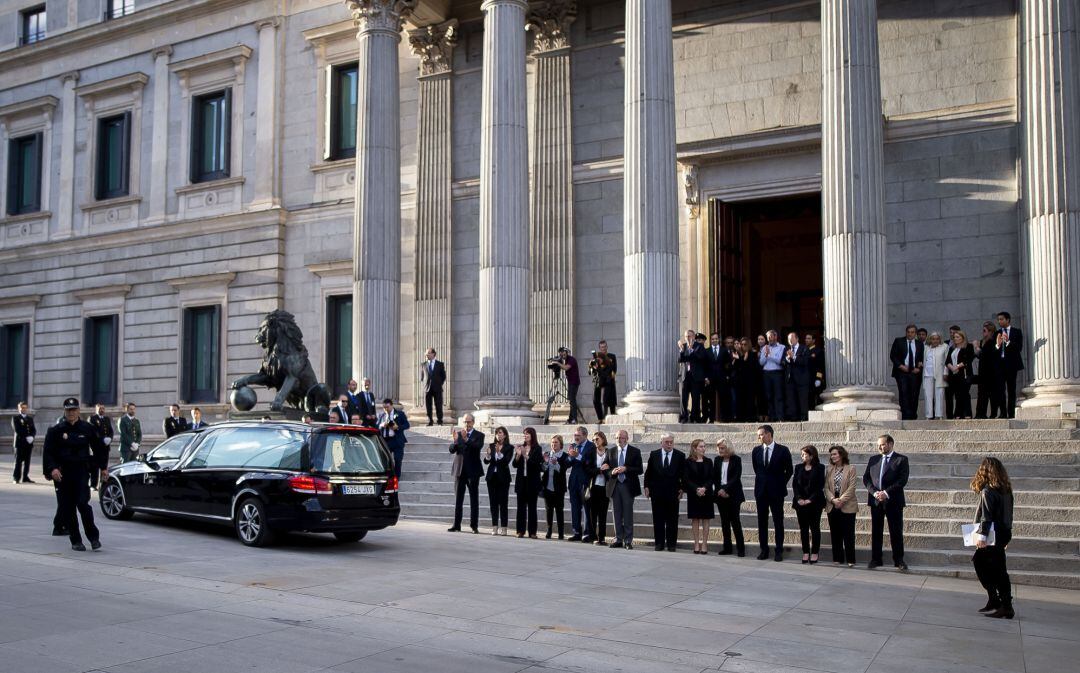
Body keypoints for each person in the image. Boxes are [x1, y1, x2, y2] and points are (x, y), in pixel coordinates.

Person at [42, 398, 108, 551]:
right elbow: (48, 453)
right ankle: (76, 540)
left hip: (81, 472)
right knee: (68, 507)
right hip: (62, 474)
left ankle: (93, 537)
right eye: (68, 410)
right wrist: (53, 469)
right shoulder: (55, 431)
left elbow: (99, 449)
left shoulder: (87, 428)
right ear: (64, 411)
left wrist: (103, 468)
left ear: (79, 411)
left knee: (83, 504)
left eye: (73, 410)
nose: (71, 413)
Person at [970, 457, 1015, 619]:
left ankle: (1004, 604)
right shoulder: (1006, 489)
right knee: (994, 567)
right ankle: (995, 600)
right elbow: (1009, 514)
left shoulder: (988, 490)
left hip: (992, 534)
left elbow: (986, 516)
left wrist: (981, 536)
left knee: (991, 567)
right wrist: (1006, 536)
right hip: (1003, 532)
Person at [864, 434, 909, 571]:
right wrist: (875, 492)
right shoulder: (873, 459)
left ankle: (898, 560)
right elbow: (866, 479)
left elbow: (902, 480)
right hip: (876, 501)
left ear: (890, 444)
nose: (880, 447)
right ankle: (876, 559)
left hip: (893, 501)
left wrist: (886, 493)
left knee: (896, 531)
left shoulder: (901, 459)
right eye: (878, 444)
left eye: (882, 444)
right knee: (876, 531)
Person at [751, 425, 792, 561]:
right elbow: (757, 470)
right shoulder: (756, 450)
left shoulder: (783, 450)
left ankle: (779, 550)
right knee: (762, 521)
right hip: (761, 491)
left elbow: (789, 470)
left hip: (777, 492)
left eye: (761, 434)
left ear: (769, 434)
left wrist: (780, 483)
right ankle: (764, 550)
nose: (759, 437)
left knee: (778, 521)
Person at [644, 434, 685, 551]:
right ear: (661, 442)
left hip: (673, 493)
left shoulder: (680, 455)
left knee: (672, 519)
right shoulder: (654, 454)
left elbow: (684, 474)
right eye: (666, 442)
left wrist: (682, 488)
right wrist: (646, 486)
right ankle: (659, 543)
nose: (669, 444)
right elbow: (648, 472)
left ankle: (672, 544)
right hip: (657, 492)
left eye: (671, 442)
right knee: (658, 519)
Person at [606, 429, 642, 549]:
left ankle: (628, 540)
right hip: (615, 486)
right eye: (617, 438)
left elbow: (639, 469)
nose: (619, 440)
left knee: (627, 513)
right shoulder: (610, 451)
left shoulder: (635, 451)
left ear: (627, 439)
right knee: (616, 513)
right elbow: (606, 469)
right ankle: (618, 539)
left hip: (628, 485)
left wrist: (626, 469)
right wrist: (613, 471)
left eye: (621, 438)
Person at [448, 414, 484, 534]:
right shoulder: (458, 434)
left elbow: (477, 447)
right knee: (458, 499)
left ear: (473, 422)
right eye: (464, 422)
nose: (466, 425)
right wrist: (454, 442)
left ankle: (474, 526)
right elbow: (452, 450)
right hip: (459, 470)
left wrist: (466, 440)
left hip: (473, 471)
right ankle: (456, 525)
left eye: (468, 422)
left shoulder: (479, 435)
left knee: (474, 499)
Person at [824, 445, 858, 567]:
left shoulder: (851, 468)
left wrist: (841, 500)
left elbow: (852, 487)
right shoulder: (829, 469)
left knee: (848, 533)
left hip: (847, 504)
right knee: (835, 533)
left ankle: (850, 559)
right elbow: (826, 487)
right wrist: (833, 499)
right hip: (832, 504)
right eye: (831, 455)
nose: (832, 456)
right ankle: (837, 557)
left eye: (834, 454)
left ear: (841, 455)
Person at [792, 445, 826, 564]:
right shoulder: (798, 467)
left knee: (815, 528)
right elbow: (795, 485)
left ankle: (815, 552)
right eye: (801, 454)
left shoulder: (820, 467)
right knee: (803, 529)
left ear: (811, 455)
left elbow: (820, 485)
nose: (802, 456)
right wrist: (799, 498)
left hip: (815, 503)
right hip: (800, 503)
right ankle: (805, 552)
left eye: (805, 454)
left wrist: (810, 499)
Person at [712, 438, 745, 556]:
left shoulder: (736, 460)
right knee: (724, 522)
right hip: (720, 495)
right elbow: (715, 478)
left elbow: (736, 478)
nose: (720, 450)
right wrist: (719, 491)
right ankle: (727, 548)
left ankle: (741, 549)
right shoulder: (717, 460)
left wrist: (725, 490)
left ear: (728, 448)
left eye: (722, 448)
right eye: (719, 448)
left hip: (734, 495)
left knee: (735, 522)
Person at [683, 439, 713, 554]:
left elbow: (711, 477)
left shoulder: (709, 461)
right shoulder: (688, 462)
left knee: (706, 519)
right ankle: (696, 543)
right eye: (701, 446)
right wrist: (696, 489)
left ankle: (704, 544)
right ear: (694, 448)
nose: (703, 448)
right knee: (695, 519)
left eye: (704, 446)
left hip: (706, 493)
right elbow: (686, 479)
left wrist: (704, 488)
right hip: (693, 494)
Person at [513, 427, 544, 538]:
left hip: (532, 482)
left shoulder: (537, 449)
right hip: (521, 481)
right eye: (524, 434)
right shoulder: (521, 447)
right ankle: (520, 530)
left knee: (532, 507)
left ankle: (532, 532)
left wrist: (526, 455)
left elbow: (536, 464)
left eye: (527, 434)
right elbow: (514, 465)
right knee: (520, 507)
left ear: (532, 435)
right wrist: (518, 455)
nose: (525, 436)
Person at [566, 426, 594, 541]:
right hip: (574, 481)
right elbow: (567, 464)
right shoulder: (573, 446)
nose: (576, 437)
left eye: (578, 435)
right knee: (575, 507)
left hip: (585, 481)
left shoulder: (591, 446)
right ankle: (576, 532)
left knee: (587, 508)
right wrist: (570, 457)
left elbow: (589, 463)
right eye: (575, 435)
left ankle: (587, 533)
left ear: (585, 435)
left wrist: (578, 456)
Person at [582, 430, 611, 545]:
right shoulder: (590, 452)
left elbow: (612, 467)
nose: (595, 441)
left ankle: (602, 538)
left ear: (603, 439)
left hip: (605, 487)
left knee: (603, 513)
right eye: (593, 440)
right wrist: (599, 470)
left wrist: (606, 470)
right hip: (593, 486)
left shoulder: (609, 452)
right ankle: (593, 536)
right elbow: (587, 469)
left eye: (597, 439)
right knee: (592, 513)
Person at [890, 324, 924, 420]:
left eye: (912, 332)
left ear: (915, 333)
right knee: (903, 392)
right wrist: (901, 366)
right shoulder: (899, 341)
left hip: (914, 372)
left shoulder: (919, 344)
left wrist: (919, 368)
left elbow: (922, 358)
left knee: (914, 393)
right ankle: (905, 415)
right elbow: (893, 356)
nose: (910, 334)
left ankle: (913, 415)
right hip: (902, 372)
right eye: (908, 332)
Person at [483, 426, 512, 535]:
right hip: (491, 477)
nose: (498, 435)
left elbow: (506, 462)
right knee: (493, 503)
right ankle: (494, 527)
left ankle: (504, 527)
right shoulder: (491, 446)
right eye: (497, 433)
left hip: (503, 478)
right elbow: (486, 462)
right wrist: (488, 455)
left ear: (505, 435)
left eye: (500, 433)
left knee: (503, 503)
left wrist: (499, 453)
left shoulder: (509, 447)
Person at [995, 312, 1023, 418]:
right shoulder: (997, 333)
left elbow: (1019, 348)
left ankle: (1011, 413)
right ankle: (1003, 413)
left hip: (1012, 365)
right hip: (1000, 366)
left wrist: (1007, 342)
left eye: (1001, 319)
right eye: (998, 319)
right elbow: (994, 351)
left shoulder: (1016, 332)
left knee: (1011, 390)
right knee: (1000, 390)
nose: (999, 321)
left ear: (1008, 320)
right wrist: (998, 344)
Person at [541, 435, 569, 539]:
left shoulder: (564, 456)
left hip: (559, 488)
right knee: (549, 510)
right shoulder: (547, 454)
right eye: (552, 442)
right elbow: (542, 469)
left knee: (559, 510)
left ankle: (561, 533)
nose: (553, 444)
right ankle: (549, 531)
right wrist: (546, 462)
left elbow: (563, 470)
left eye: (556, 442)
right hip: (548, 486)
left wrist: (556, 463)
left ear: (560, 444)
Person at [678, 332, 708, 423]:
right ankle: (684, 417)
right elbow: (680, 359)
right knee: (683, 398)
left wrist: (692, 350)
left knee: (695, 398)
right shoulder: (683, 346)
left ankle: (695, 417)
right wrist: (681, 351)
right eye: (686, 336)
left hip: (696, 377)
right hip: (685, 376)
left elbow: (701, 358)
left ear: (694, 337)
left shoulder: (699, 346)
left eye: (689, 336)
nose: (688, 338)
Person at [946, 329, 975, 419]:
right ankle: (958, 414)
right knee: (958, 395)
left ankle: (967, 413)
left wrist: (957, 366)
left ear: (963, 338)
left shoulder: (968, 346)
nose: (955, 339)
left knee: (965, 393)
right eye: (954, 337)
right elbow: (947, 361)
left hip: (964, 374)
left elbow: (968, 359)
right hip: (954, 375)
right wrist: (952, 367)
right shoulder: (952, 348)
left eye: (958, 337)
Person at [377, 398, 410, 479]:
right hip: (385, 441)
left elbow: (407, 425)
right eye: (384, 407)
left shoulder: (400, 414)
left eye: (387, 407)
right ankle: (387, 476)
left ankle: (397, 477)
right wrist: (381, 425)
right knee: (385, 460)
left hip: (397, 440)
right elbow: (376, 426)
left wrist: (397, 427)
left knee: (398, 459)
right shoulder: (381, 415)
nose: (386, 409)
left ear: (392, 406)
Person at [974, 321, 1001, 419]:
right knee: (981, 394)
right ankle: (980, 413)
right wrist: (976, 348)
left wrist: (977, 347)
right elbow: (978, 356)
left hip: (992, 372)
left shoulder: (994, 341)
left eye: (985, 331)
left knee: (992, 394)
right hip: (982, 371)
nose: (983, 332)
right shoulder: (982, 341)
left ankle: (993, 413)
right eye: (983, 330)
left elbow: (986, 355)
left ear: (990, 331)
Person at [759, 330, 786, 422]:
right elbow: (761, 362)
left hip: (777, 373)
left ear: (775, 337)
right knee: (769, 396)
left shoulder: (782, 347)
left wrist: (769, 355)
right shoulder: (764, 348)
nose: (769, 339)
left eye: (771, 337)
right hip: (766, 373)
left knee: (778, 396)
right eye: (768, 337)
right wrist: (765, 355)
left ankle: (780, 417)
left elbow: (779, 361)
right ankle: (772, 417)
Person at [783, 331, 811, 422]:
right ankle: (793, 417)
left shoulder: (804, 348)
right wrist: (787, 358)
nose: (790, 340)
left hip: (802, 379)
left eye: (792, 338)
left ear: (797, 339)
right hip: (790, 379)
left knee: (802, 399)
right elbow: (782, 362)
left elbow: (805, 362)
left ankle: (804, 417)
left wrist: (794, 357)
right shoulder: (786, 349)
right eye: (788, 339)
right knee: (791, 399)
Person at [589, 340, 618, 423]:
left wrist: (609, 376)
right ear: (599, 348)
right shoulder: (595, 358)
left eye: (605, 347)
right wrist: (594, 367)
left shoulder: (612, 356)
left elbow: (613, 370)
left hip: (608, 380)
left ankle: (608, 417)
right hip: (599, 380)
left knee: (608, 400)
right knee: (595, 400)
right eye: (602, 347)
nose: (603, 349)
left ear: (607, 347)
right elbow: (590, 372)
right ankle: (600, 418)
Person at [921, 332, 948, 419]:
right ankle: (928, 415)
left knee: (939, 394)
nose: (935, 340)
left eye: (937, 339)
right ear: (930, 339)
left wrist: (945, 372)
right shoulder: (926, 348)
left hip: (939, 374)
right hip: (927, 374)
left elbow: (947, 361)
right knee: (928, 395)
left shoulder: (944, 347)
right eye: (933, 339)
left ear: (940, 339)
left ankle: (939, 415)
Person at [704, 333, 729, 423]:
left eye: (716, 339)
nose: (714, 340)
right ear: (710, 340)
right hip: (710, 379)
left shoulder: (724, 350)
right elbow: (704, 366)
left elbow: (728, 364)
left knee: (723, 398)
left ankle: (724, 418)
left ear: (719, 340)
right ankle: (711, 418)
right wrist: (706, 377)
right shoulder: (707, 351)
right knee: (711, 400)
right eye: (713, 339)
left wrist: (727, 375)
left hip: (721, 378)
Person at [87, 403, 113, 490]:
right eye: (100, 408)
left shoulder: (107, 419)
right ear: (96, 409)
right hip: (96, 447)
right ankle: (93, 485)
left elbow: (110, 430)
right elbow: (94, 431)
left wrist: (110, 438)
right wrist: (102, 439)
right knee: (95, 467)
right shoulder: (92, 418)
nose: (102, 410)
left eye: (103, 408)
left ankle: (103, 484)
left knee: (104, 466)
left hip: (105, 447)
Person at [731, 338, 757, 422]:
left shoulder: (753, 354)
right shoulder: (738, 354)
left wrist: (743, 360)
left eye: (745, 344)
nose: (743, 346)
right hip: (740, 381)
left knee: (750, 400)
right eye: (741, 344)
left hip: (750, 381)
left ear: (748, 345)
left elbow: (753, 367)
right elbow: (735, 368)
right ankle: (740, 418)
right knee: (740, 399)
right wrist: (737, 359)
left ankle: (750, 417)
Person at [11, 401, 36, 484]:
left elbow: (33, 429)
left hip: (28, 443)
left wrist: (32, 436)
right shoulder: (15, 418)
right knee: (18, 461)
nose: (24, 409)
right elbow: (17, 430)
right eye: (22, 407)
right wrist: (26, 436)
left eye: (25, 407)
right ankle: (16, 477)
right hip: (20, 443)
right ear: (19, 408)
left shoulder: (30, 419)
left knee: (27, 461)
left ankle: (25, 477)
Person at [420, 347, 447, 426]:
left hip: (437, 388)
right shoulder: (423, 364)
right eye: (426, 353)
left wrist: (438, 383)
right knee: (428, 406)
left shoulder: (440, 364)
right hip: (427, 388)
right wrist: (425, 384)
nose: (426, 354)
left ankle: (439, 421)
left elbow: (443, 376)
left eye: (428, 353)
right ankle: (430, 421)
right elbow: (422, 377)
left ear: (433, 354)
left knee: (438, 405)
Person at [554, 347, 581, 424]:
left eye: (563, 353)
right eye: (561, 353)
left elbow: (566, 368)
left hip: (574, 382)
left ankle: (574, 419)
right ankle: (570, 419)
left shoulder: (571, 359)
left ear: (566, 352)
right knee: (571, 401)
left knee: (572, 400)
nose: (562, 354)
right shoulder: (566, 360)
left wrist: (557, 363)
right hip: (571, 382)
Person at [805, 333, 825, 410]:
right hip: (807, 378)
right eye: (806, 338)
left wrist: (818, 378)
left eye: (809, 338)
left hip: (815, 378)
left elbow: (820, 366)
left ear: (813, 340)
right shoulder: (804, 350)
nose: (806, 340)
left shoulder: (818, 351)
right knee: (809, 398)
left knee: (817, 396)